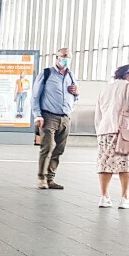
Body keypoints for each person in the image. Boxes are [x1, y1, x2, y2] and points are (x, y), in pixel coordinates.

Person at [94, 64, 129, 209]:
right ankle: (125, 198)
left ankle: (104, 197)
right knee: (126, 164)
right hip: (123, 132)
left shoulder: (104, 89)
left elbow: (98, 114)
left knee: (105, 164)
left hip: (105, 131)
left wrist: (100, 131)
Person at [31, 46, 79, 189]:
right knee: (47, 147)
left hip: (65, 117)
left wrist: (77, 93)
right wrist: (37, 115)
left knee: (59, 149)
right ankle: (41, 178)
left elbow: (74, 97)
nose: (66, 59)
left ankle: (50, 178)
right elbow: (35, 96)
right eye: (63, 56)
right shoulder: (47, 73)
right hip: (48, 116)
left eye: (68, 56)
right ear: (57, 58)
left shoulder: (71, 76)